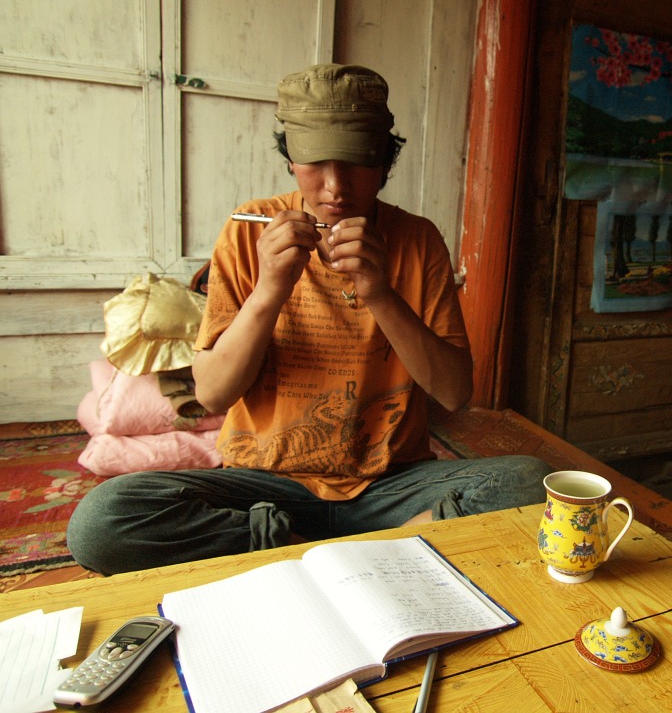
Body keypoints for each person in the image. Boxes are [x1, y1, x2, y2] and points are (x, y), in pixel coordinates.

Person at [68, 63, 550, 575]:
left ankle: (309, 558)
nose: (335, 187)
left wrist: (380, 293)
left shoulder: (417, 239)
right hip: (266, 487)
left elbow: (454, 394)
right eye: (316, 162)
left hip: (390, 487)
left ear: (384, 161)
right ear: (290, 160)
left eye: (357, 162)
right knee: (101, 522)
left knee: (534, 484)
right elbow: (211, 395)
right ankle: (366, 558)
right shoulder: (247, 231)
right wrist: (270, 290)